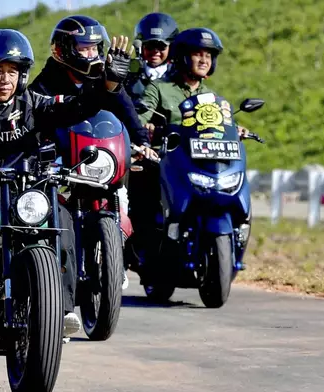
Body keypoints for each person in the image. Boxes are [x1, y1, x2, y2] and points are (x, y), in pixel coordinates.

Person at [0, 28, 130, 333]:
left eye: (13, 71)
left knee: (63, 218)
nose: (6, 79)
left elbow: (78, 106)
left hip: (29, 192)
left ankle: (61, 310)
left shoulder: (35, 103)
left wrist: (108, 83)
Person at [28, 14, 154, 334]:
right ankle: (62, 303)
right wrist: (39, 145)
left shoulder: (104, 73)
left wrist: (141, 141)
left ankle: (120, 257)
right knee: (58, 222)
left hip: (100, 161)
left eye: (96, 47)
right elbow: (39, 116)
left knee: (132, 191)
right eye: (85, 48)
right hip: (63, 163)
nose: (92, 54)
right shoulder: (48, 80)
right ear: (65, 50)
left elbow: (124, 108)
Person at [132, 27, 248, 272]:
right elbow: (140, 115)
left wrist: (237, 129)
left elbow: (222, 122)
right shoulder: (160, 89)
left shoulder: (211, 96)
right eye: (198, 54)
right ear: (183, 56)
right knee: (146, 193)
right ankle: (147, 248)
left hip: (203, 161)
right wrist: (148, 126)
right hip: (170, 159)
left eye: (209, 55)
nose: (204, 60)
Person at [124, 12, 179, 102]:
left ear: (171, 48)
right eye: (150, 45)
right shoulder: (129, 73)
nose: (155, 51)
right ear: (141, 47)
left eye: (161, 46)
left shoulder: (179, 76)